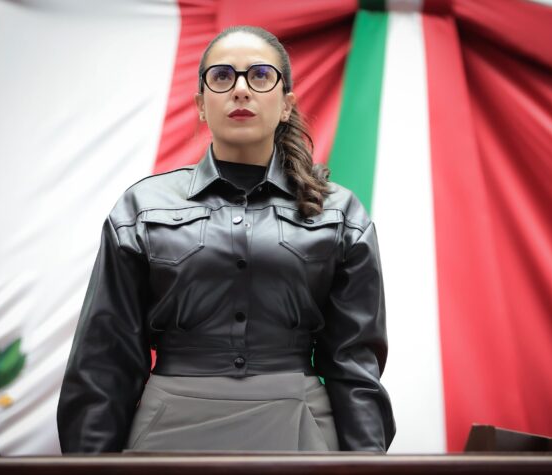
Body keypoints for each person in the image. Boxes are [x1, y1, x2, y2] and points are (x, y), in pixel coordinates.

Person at [57, 25, 395, 453]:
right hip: (168, 432)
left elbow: (354, 362)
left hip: (299, 431)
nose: (240, 89)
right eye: (222, 76)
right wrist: (88, 464)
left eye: (260, 76)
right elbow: (105, 357)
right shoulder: (141, 207)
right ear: (201, 104)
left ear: (286, 104)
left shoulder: (339, 213)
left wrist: (367, 461)